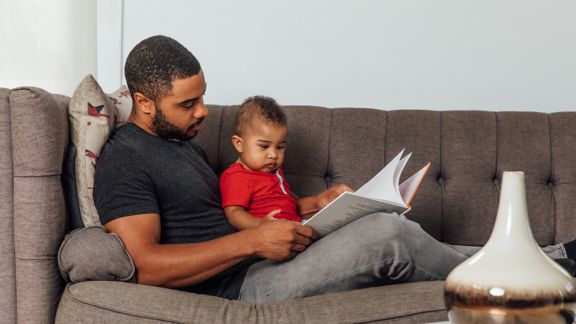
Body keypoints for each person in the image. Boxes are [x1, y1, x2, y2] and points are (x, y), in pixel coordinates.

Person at [94, 35, 576, 304]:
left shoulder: (181, 144)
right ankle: (546, 278)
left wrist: (317, 205)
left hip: (258, 261)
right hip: (239, 287)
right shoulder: (125, 159)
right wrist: (252, 241)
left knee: (376, 220)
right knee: (388, 237)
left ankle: (550, 254)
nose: (203, 111)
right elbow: (145, 266)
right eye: (188, 103)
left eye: (202, 96)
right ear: (143, 102)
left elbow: (233, 209)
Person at [220, 96, 314, 230]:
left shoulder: (274, 172)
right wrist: (260, 224)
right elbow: (234, 214)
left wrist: (320, 203)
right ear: (239, 144)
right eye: (264, 146)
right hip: (268, 236)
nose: (273, 155)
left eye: (280, 147)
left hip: (296, 226)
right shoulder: (236, 176)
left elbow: (290, 201)